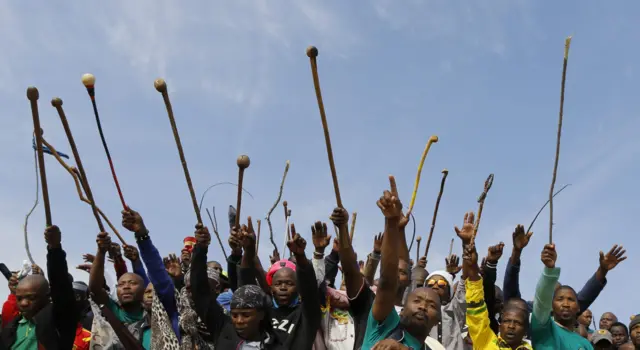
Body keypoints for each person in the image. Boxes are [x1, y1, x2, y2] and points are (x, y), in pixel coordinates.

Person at [362, 176, 444, 349]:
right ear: (403, 308)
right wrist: (391, 222)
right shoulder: (384, 325)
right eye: (417, 301)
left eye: (431, 306)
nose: (422, 307)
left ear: (438, 320)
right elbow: (387, 282)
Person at [189, 222, 283, 349]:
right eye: (234, 315)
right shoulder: (224, 329)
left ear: (261, 314)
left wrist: (249, 252)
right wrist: (200, 248)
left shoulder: (276, 341)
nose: (239, 321)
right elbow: (200, 292)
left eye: (246, 315)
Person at [459, 212, 532, 350]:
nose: (511, 326)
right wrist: (473, 268)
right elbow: (477, 309)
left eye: (517, 323)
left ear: (526, 330)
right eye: (507, 321)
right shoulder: (485, 340)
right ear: (500, 324)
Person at [0, 226, 78, 349]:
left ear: (48, 297)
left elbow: (61, 287)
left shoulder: (56, 322)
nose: (24, 303)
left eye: (31, 297)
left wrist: (55, 249)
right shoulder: (10, 329)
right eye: (19, 298)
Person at [530, 243, 593, 349]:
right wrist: (549, 270)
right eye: (560, 299)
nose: (565, 304)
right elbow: (542, 299)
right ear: (551, 305)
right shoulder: (544, 326)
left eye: (571, 299)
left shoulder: (585, 344)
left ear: (578, 308)